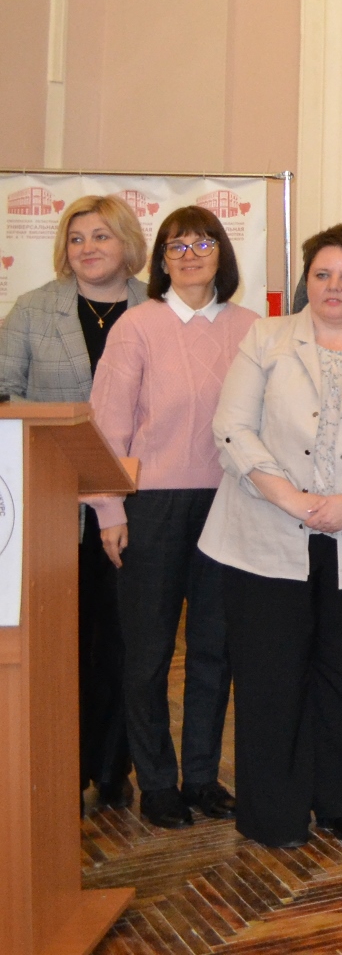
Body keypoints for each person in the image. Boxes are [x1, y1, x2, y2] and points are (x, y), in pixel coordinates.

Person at [201, 224, 342, 848]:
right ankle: (274, 814)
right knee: (270, 675)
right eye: (323, 274)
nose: (334, 287)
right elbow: (232, 428)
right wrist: (293, 500)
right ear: (307, 278)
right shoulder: (266, 336)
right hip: (267, 529)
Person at [88, 207, 257, 833]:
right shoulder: (137, 326)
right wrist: (109, 509)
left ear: (222, 254)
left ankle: (202, 777)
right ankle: (156, 782)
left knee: (215, 647)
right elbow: (108, 425)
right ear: (160, 260)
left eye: (202, 243)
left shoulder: (251, 328)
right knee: (148, 652)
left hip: (230, 503)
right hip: (151, 505)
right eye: (176, 246)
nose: (189, 255)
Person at [0, 194, 147, 811]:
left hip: (133, 506)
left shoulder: (155, 308)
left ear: (127, 244)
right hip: (51, 505)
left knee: (124, 642)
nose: (87, 248)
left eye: (101, 236)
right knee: (61, 640)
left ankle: (113, 768)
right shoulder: (34, 310)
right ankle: (62, 765)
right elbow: (3, 392)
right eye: (77, 237)